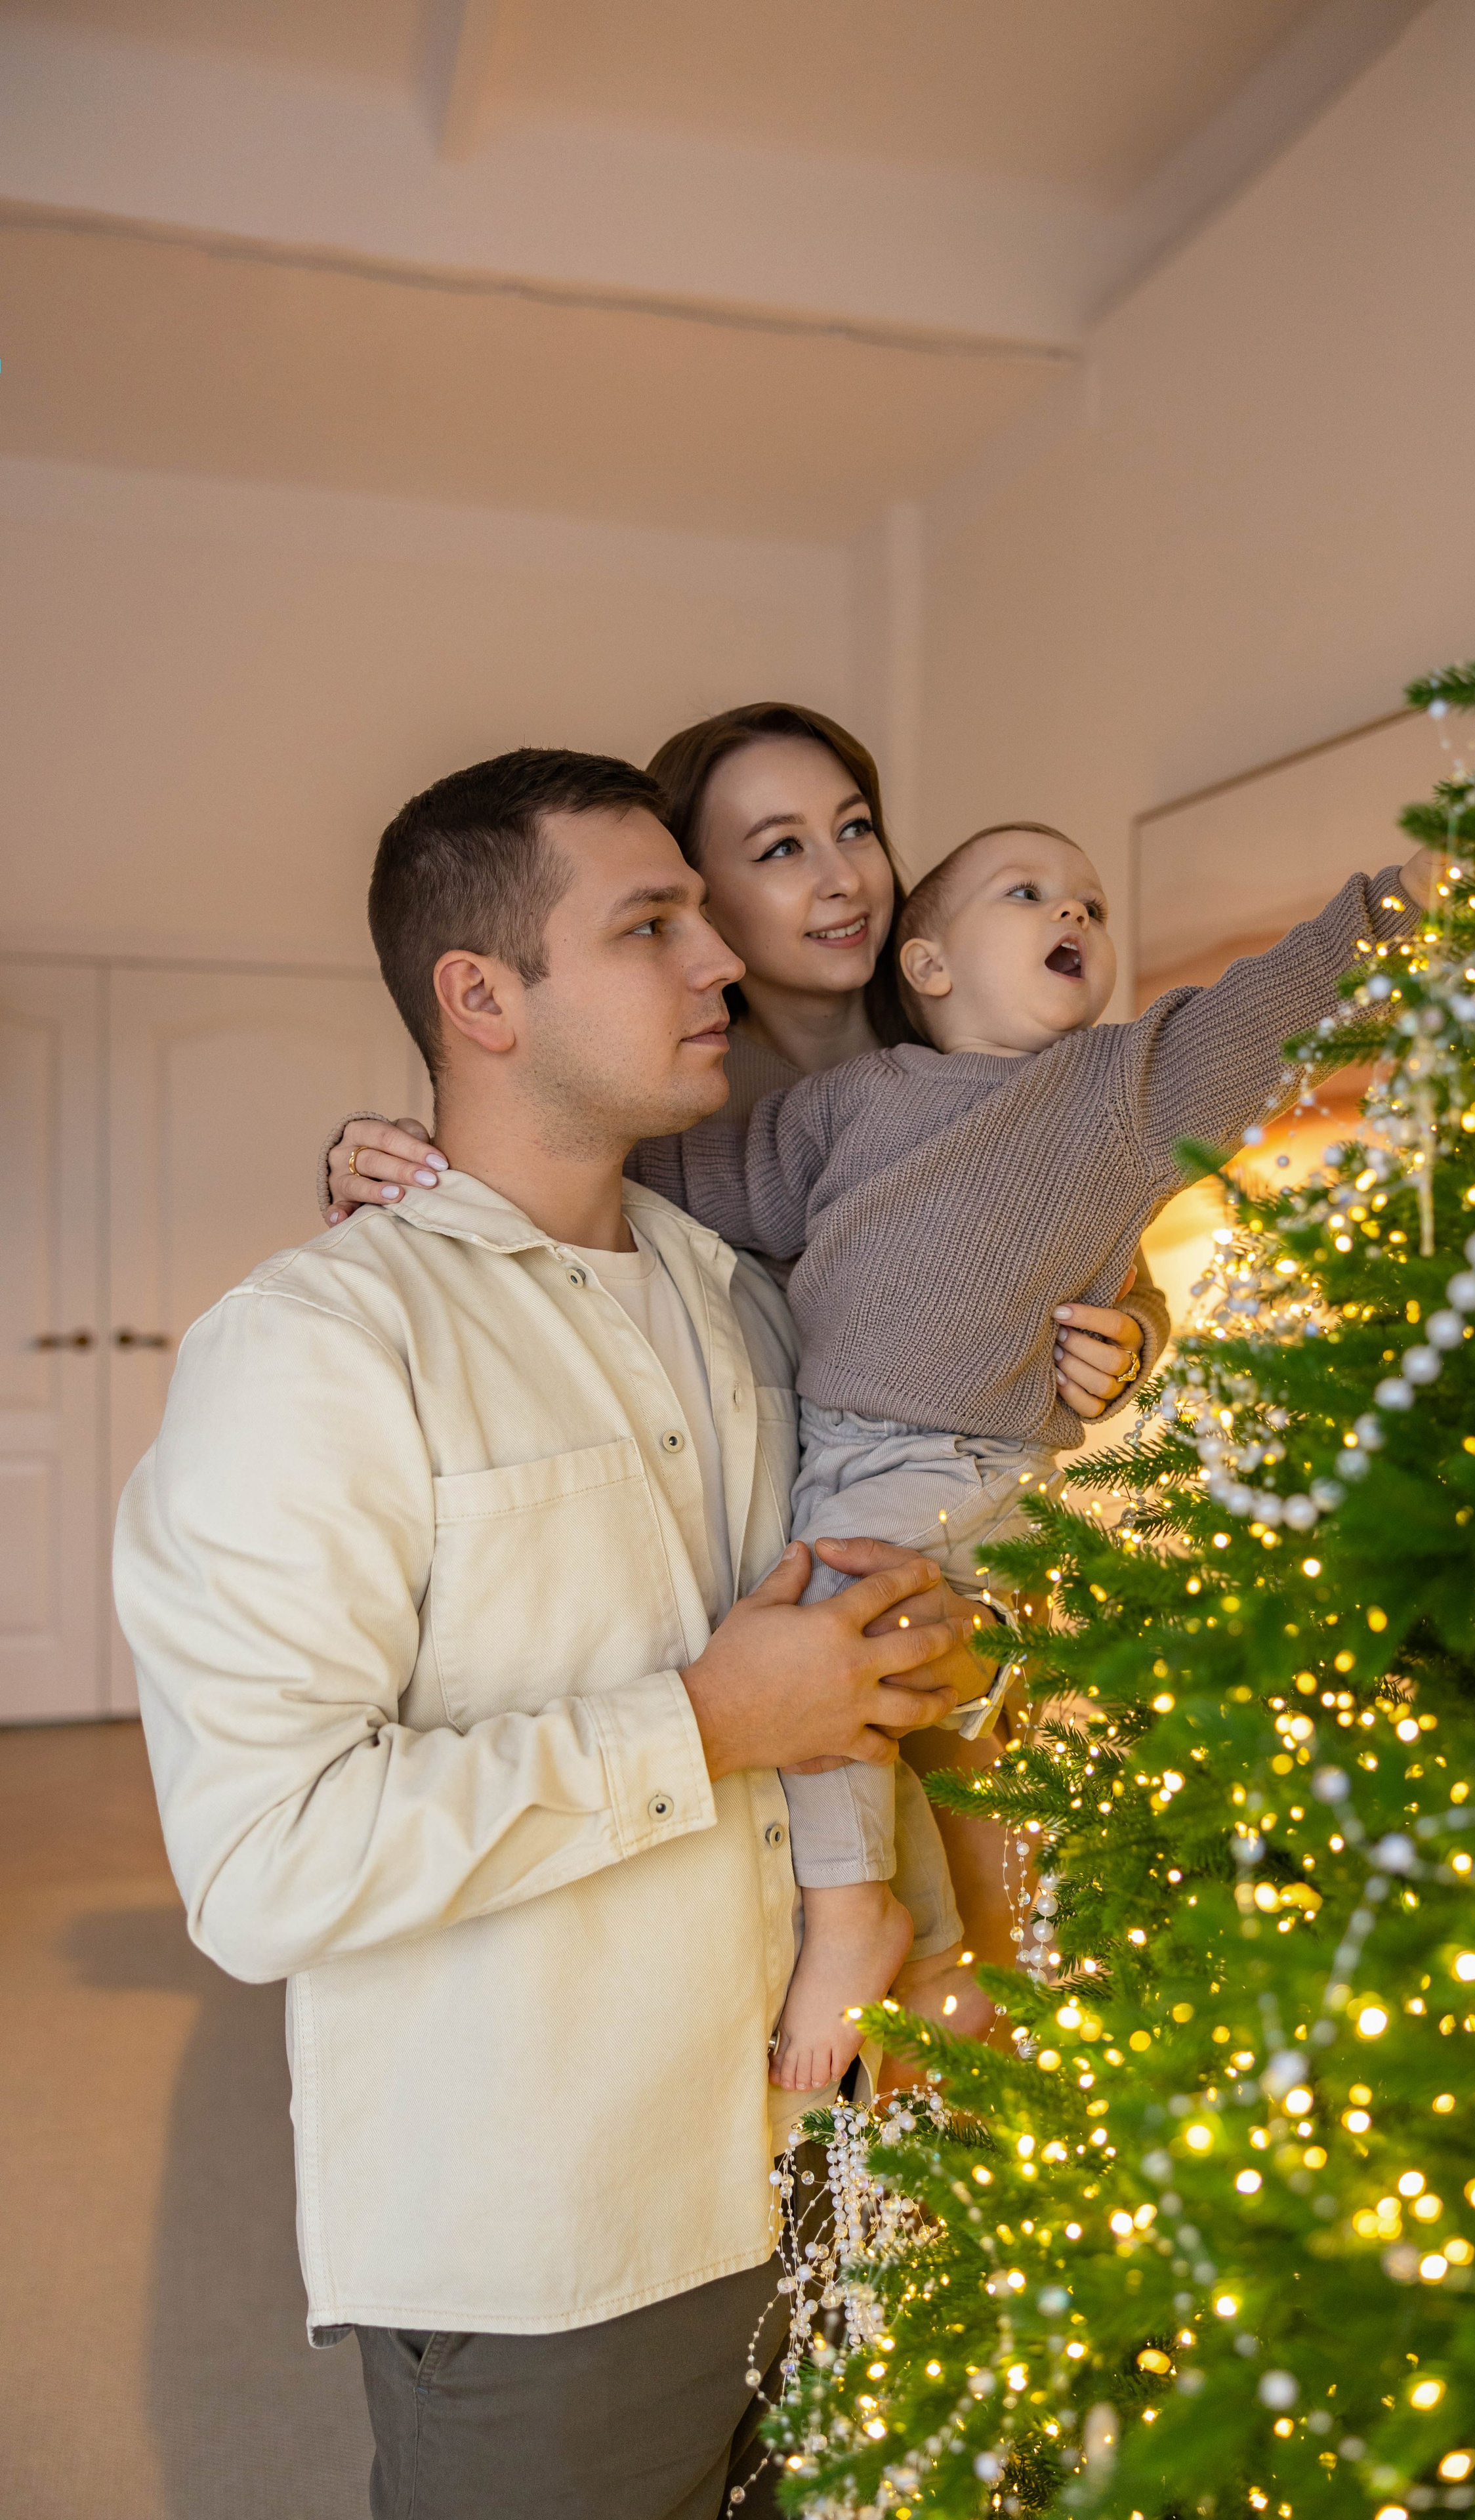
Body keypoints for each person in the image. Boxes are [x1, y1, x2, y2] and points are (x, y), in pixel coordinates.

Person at [115, 747, 991, 2520]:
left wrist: (944, 1647)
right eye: (651, 924)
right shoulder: (316, 1349)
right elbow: (266, 1864)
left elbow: (879, 1620)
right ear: (482, 998)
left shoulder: (751, 1305)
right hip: (560, 2245)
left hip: (839, 2155)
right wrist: (704, 1724)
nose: (722, 959)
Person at [320, 703, 1171, 2061]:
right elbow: (523, 1193)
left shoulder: (988, 1039)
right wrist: (399, 1161)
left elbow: (1104, 1228)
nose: (841, 878)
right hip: (751, 1590)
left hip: (945, 1542)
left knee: (993, 1957)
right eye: (777, 850)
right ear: (692, 891)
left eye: (854, 829)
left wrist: (1132, 1332)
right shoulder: (658, 1098)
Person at [634, 818, 1438, 2084]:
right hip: (839, 1458)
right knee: (872, 1690)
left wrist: (1403, 901)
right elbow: (678, 1179)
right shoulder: (847, 1105)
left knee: (826, 1649)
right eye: (1029, 893)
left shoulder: (1117, 1087)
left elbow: (1261, 1012)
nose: (1075, 915)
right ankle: (943, 1965)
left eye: (1092, 905)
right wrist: (438, 1161)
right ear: (930, 964)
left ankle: (852, 1918)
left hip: (959, 1466)